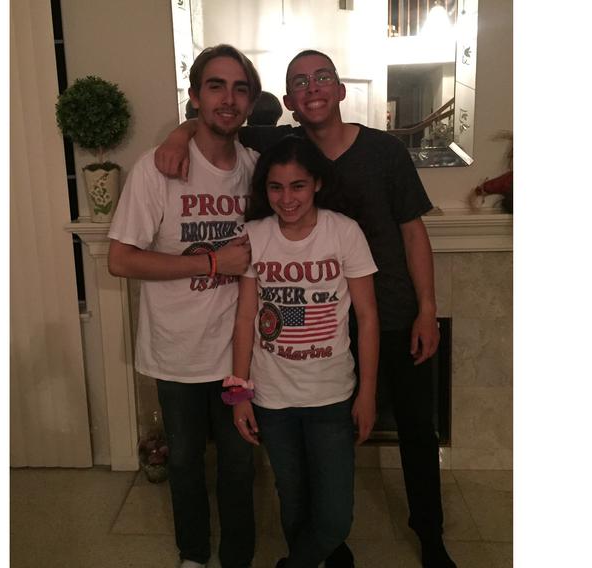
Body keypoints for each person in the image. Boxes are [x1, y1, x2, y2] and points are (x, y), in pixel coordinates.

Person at [155, 49, 455, 568]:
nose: (313, 88)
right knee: (317, 452)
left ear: (339, 90)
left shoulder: (384, 150)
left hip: (392, 315)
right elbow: (218, 121)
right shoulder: (275, 147)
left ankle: (431, 539)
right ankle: (328, 548)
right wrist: (178, 134)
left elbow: (413, 230)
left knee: (415, 432)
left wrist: (428, 308)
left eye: (323, 78)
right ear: (290, 101)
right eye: (300, 82)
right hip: (316, 335)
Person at [107, 44, 263, 568]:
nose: (228, 98)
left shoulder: (257, 171)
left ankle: (236, 557)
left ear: (251, 101)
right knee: (187, 467)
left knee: (240, 469)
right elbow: (121, 260)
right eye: (215, 86)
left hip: (237, 353)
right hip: (174, 352)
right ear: (195, 97)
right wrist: (212, 264)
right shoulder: (157, 170)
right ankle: (193, 555)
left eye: (240, 88)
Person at [227, 135, 379, 568]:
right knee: (292, 502)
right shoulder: (254, 236)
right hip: (272, 399)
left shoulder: (343, 232)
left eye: (297, 186)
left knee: (334, 518)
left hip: (331, 397)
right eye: (276, 187)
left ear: (316, 184)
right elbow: (244, 320)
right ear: (265, 190)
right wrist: (238, 396)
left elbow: (367, 317)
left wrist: (367, 393)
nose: (287, 198)